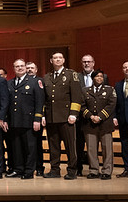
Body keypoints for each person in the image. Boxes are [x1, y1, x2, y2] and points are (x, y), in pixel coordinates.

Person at [43, 52, 82, 180]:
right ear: (51, 60)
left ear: (64, 60)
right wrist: (43, 115)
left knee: (70, 145)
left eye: (60, 58)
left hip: (66, 117)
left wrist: (74, 113)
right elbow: (45, 98)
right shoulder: (47, 77)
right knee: (53, 146)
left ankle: (72, 170)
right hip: (51, 117)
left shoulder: (71, 75)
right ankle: (55, 170)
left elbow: (76, 96)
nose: (57, 60)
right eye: (55, 58)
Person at [7, 59, 44, 179]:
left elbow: (39, 102)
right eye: (17, 66)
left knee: (30, 148)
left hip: (29, 121)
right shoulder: (10, 83)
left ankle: (29, 171)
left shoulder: (34, 82)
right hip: (14, 121)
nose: (20, 68)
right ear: (13, 68)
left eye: (22, 66)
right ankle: (18, 169)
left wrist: (37, 119)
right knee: (16, 148)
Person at [82, 70, 116, 180]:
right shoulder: (85, 91)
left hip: (105, 124)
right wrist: (91, 116)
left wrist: (100, 116)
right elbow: (82, 106)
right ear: (93, 78)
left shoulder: (110, 90)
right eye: (97, 76)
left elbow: (111, 105)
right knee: (91, 149)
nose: (99, 78)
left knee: (107, 149)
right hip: (90, 124)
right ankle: (93, 170)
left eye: (101, 76)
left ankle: (107, 171)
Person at [26, 61, 46, 176]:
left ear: (36, 69)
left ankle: (39, 167)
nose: (29, 70)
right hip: (26, 119)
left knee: (37, 144)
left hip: (37, 118)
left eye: (31, 68)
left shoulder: (39, 81)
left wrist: (41, 115)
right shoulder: (23, 81)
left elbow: (42, 100)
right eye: (27, 68)